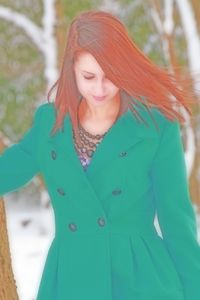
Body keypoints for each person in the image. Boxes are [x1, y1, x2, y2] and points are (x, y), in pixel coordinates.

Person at [0, 9, 200, 300]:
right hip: (72, 279)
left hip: (141, 279)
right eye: (89, 76)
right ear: (72, 69)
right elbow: (8, 170)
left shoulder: (155, 127)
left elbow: (177, 220)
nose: (99, 88)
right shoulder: (49, 124)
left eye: (110, 75)